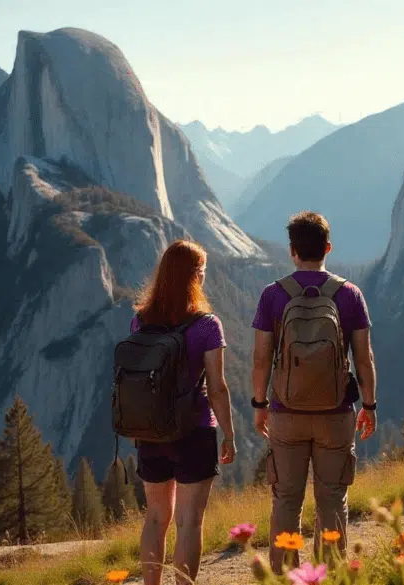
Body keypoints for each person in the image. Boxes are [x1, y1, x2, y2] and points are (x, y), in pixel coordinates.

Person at [251, 211, 377, 573]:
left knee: (286, 500)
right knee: (332, 501)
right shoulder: (350, 294)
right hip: (336, 413)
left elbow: (261, 359)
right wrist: (369, 404)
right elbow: (364, 358)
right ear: (328, 248)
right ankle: (332, 576)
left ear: (292, 251)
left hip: (286, 413)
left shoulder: (273, 295)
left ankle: (283, 578)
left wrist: (260, 404)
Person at [132, 240, 237, 585]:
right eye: (202, 272)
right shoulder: (206, 325)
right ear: (194, 277)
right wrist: (229, 435)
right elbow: (218, 388)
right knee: (189, 521)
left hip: (150, 431)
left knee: (155, 518)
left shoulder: (140, 320)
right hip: (193, 432)